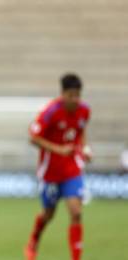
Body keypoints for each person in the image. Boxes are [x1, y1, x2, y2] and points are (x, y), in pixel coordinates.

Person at [25, 73, 92, 260]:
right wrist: (59, 149)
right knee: (48, 215)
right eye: (71, 95)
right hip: (50, 172)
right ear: (62, 94)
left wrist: (85, 149)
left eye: (78, 95)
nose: (75, 99)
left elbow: (81, 131)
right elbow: (33, 137)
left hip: (72, 169)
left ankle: (76, 257)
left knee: (76, 212)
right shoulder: (51, 111)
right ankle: (33, 241)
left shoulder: (84, 110)